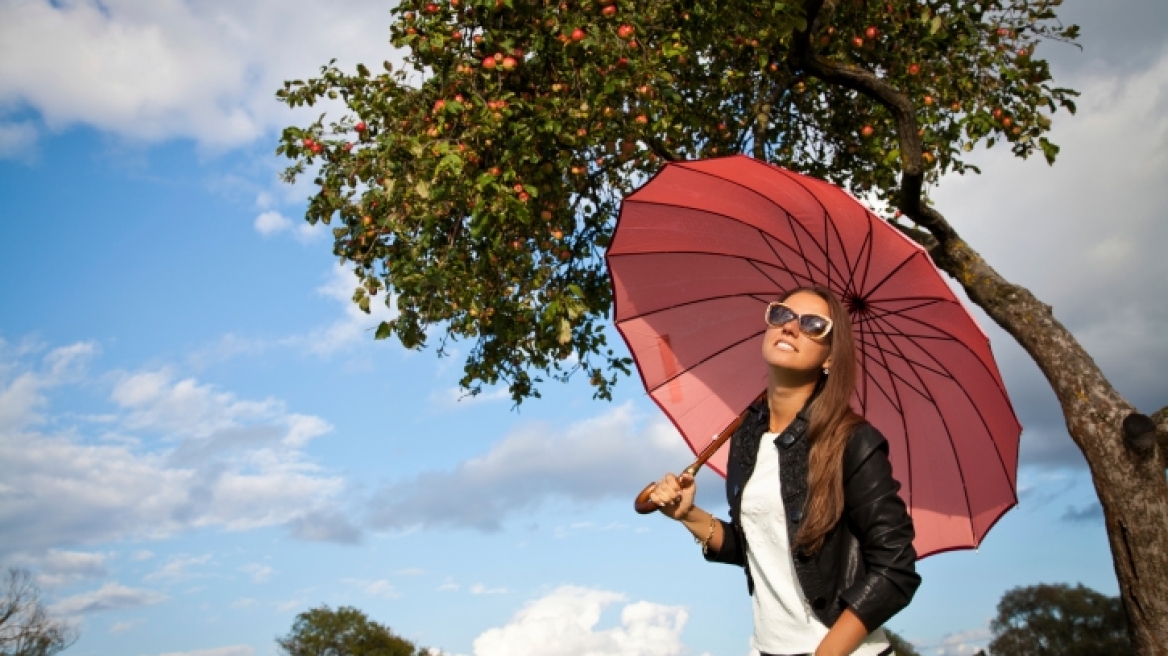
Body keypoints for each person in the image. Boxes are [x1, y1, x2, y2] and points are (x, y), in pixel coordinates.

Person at [648, 286, 920, 656]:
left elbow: (896, 568)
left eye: (813, 325)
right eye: (781, 314)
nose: (790, 327)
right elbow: (757, 547)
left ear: (829, 357)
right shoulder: (746, 436)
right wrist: (687, 514)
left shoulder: (852, 441)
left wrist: (826, 654)